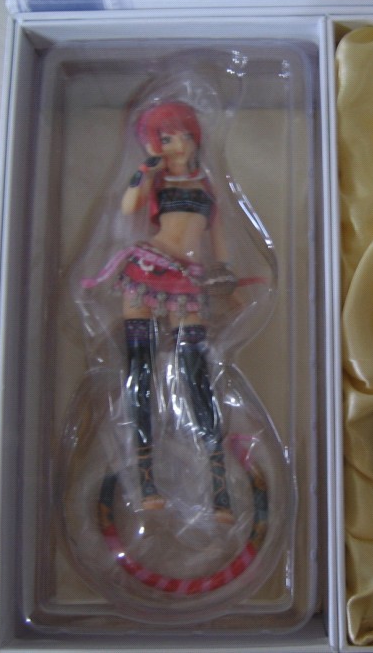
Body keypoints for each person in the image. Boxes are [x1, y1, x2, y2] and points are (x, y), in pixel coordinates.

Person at [83, 101, 238, 521]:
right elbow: (128, 207)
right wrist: (144, 169)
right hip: (147, 270)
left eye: (184, 135)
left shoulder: (207, 185)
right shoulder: (156, 179)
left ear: (195, 138)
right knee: (141, 372)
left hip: (189, 278)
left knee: (196, 374)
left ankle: (219, 487)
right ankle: (146, 482)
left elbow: (219, 238)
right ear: (155, 143)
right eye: (166, 138)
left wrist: (225, 278)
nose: (178, 144)